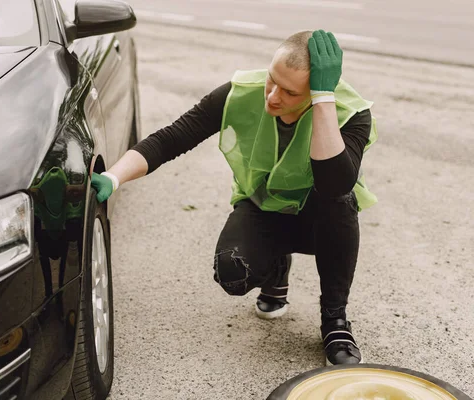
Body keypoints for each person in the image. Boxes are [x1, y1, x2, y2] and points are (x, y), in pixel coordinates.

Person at [91, 30, 378, 365]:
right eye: (272, 79)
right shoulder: (241, 93)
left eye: (289, 92)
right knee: (232, 273)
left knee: (340, 203)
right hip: (263, 208)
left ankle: (335, 320)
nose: (272, 96)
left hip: (322, 218)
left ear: (315, 92)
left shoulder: (350, 113)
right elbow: (173, 137)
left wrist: (323, 101)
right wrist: (114, 176)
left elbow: (334, 185)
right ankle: (275, 268)